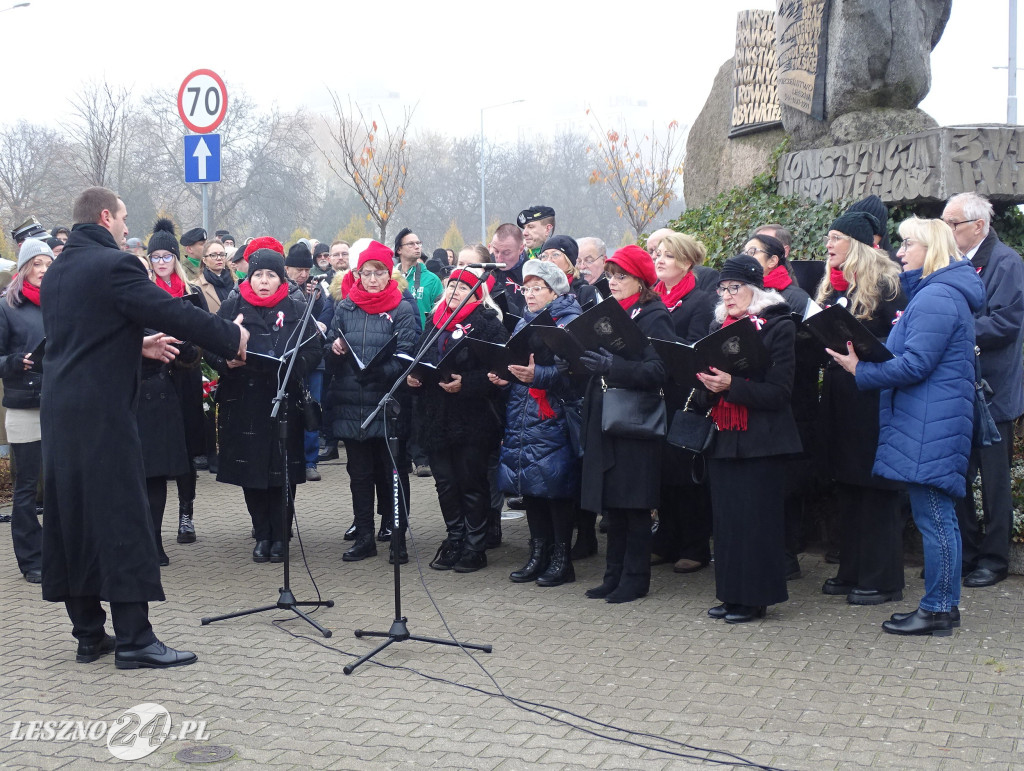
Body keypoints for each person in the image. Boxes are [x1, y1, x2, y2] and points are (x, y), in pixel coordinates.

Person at [41, 186, 247, 669]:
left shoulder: (58, 272)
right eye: (125, 218)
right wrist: (229, 334)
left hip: (62, 413)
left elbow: (77, 339)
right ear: (106, 216)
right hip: (103, 416)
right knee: (122, 517)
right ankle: (135, 639)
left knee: (74, 517)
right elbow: (170, 309)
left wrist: (137, 346)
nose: (128, 228)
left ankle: (89, 634)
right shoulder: (115, 265)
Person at [828, 218, 985, 636]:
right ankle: (941, 608)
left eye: (908, 244)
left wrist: (860, 369)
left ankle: (937, 610)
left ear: (930, 248)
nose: (900, 252)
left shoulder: (937, 297)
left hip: (930, 423)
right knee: (937, 518)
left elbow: (917, 364)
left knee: (935, 519)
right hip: (929, 420)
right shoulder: (937, 293)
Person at [699, 255, 802, 623]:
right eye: (723, 288)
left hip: (763, 440)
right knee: (727, 522)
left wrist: (733, 386)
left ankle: (756, 598)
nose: (727, 295)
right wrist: (708, 387)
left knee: (756, 522)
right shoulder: (717, 327)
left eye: (735, 288)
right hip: (724, 438)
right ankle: (731, 595)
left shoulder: (778, 326)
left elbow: (779, 392)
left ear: (754, 289)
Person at [814, 211, 907, 606]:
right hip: (843, 398)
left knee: (875, 489)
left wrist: (861, 349)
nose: (829, 245)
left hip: (874, 399)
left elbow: (899, 342)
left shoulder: (886, 285)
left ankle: (882, 578)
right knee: (849, 486)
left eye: (835, 237)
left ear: (855, 243)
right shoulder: (838, 288)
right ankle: (851, 568)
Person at [209, 248, 322, 563]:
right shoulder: (233, 306)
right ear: (249, 276)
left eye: (271, 275)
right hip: (244, 401)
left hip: (284, 399)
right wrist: (225, 360)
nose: (263, 281)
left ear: (280, 278)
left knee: (282, 471)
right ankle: (262, 534)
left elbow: (314, 350)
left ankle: (281, 535)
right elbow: (210, 345)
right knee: (252, 471)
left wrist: (293, 365)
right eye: (258, 274)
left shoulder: (297, 307)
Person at [579, 245, 673, 603]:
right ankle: (612, 574)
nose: (613, 282)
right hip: (606, 415)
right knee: (613, 505)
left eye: (622, 277)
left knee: (634, 504)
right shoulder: (612, 311)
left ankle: (635, 578)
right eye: (611, 276)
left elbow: (660, 371)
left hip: (635, 421)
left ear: (641, 281)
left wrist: (612, 368)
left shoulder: (654, 315)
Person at [943, 193, 1024, 588]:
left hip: (993, 390)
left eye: (952, 223)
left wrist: (953, 330)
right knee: (956, 474)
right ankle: (967, 552)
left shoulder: (1006, 261)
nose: (947, 230)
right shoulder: (952, 262)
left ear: (978, 226)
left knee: (993, 481)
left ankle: (994, 559)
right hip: (959, 387)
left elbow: (1006, 322)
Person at [408, 267, 508, 573]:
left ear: (477, 294)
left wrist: (468, 383)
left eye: (462, 288)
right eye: (451, 286)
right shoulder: (434, 322)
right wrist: (413, 376)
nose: (454, 292)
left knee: (470, 482)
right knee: (446, 484)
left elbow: (500, 373)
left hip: (472, 418)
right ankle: (454, 537)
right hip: (435, 417)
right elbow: (419, 357)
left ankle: (475, 545)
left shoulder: (487, 324)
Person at [491, 260, 584, 586]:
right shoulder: (523, 323)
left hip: (553, 416)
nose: (529, 294)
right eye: (526, 288)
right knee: (531, 487)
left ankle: (562, 558)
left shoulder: (568, 322)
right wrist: (503, 377)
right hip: (522, 414)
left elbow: (575, 377)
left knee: (555, 488)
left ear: (554, 291)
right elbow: (516, 363)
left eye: (537, 288)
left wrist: (537, 376)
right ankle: (538, 553)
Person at [326, 241, 418, 564]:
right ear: (358, 274)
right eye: (367, 273)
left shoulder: (402, 308)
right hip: (353, 404)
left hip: (388, 403)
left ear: (389, 274)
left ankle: (398, 537)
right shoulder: (345, 307)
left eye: (380, 273)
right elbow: (330, 349)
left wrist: (378, 372)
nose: (373, 279)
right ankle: (364, 536)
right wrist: (334, 349)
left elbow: (408, 355)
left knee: (393, 473)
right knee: (359, 474)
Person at [648, 232, 716, 574]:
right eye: (657, 254)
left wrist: (661, 340)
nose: (659, 260)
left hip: (684, 397)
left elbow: (696, 347)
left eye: (668, 256)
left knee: (685, 474)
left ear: (687, 263)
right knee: (660, 473)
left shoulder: (700, 300)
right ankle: (665, 540)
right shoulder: (651, 298)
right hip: (654, 394)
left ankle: (694, 545)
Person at [144, 219, 213, 552]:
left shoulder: (191, 293)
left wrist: (190, 350)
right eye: (155, 256)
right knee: (155, 455)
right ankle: (151, 530)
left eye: (166, 256)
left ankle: (186, 514)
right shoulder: (141, 291)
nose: (160, 262)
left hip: (183, 379)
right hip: (152, 381)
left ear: (175, 258)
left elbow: (203, 334)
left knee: (185, 451)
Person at [0, 238, 52, 583]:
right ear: (23, 269)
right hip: (23, 406)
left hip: (60, 402)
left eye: (48, 264)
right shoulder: (6, 306)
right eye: (36, 264)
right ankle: (30, 559)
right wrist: (15, 362)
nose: (43, 271)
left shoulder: (60, 302)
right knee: (27, 486)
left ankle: (58, 552)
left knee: (61, 486)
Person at [647, 227, 719, 291]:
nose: (656, 258)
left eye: (669, 255)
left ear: (686, 262)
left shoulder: (706, 278)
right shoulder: (649, 290)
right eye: (659, 254)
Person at [538, 235, 597, 309]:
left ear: (569, 260)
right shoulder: (534, 291)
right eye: (544, 256)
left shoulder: (585, 293)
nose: (549, 260)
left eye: (555, 255)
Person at [196, 238, 235, 315]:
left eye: (222, 254)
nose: (219, 258)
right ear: (204, 260)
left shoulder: (236, 282)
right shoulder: (196, 287)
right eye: (213, 255)